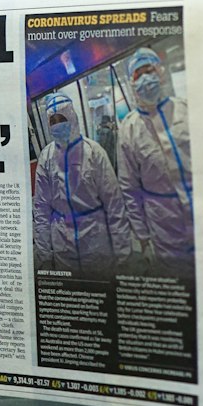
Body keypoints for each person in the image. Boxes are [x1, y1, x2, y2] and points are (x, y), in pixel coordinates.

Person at [32, 91, 133, 278]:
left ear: (72, 117)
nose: (57, 124)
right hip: (63, 247)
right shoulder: (46, 158)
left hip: (96, 243)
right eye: (52, 121)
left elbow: (114, 205)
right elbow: (41, 209)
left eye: (61, 118)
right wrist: (44, 254)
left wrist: (123, 252)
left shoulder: (94, 152)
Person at [117, 46, 194, 273]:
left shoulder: (184, 110)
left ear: (160, 73)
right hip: (165, 225)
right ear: (132, 83)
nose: (145, 79)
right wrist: (142, 237)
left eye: (149, 70)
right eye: (138, 75)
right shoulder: (129, 129)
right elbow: (129, 188)